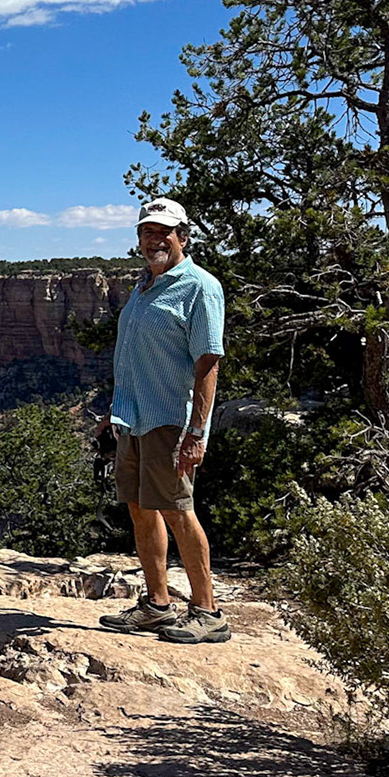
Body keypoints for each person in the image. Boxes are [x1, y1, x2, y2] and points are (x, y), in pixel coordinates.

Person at [97, 196, 229, 644]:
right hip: (133, 417)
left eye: (163, 232)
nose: (154, 239)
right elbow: (131, 356)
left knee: (177, 509)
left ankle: (208, 612)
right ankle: (157, 605)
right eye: (146, 232)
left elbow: (208, 362)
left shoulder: (199, 287)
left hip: (171, 419)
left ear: (183, 237)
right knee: (139, 507)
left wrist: (196, 432)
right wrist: (113, 410)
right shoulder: (142, 286)